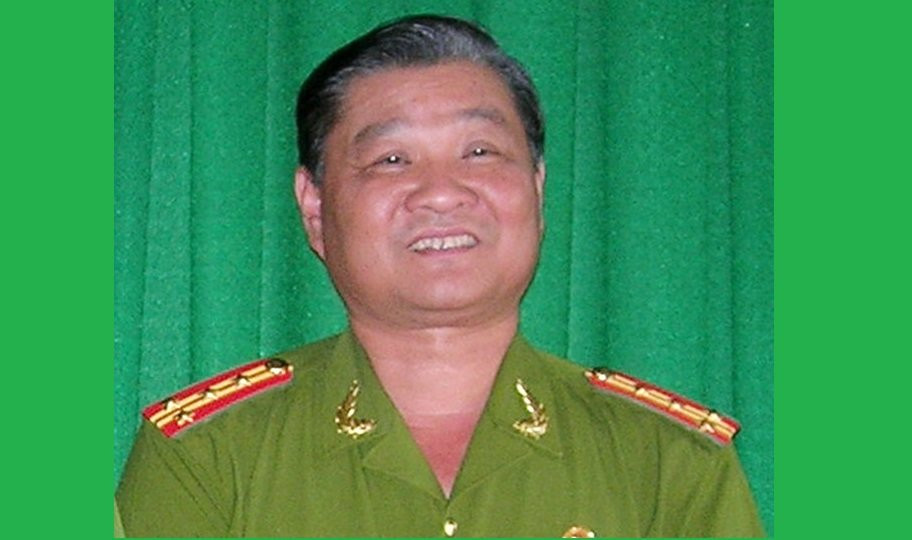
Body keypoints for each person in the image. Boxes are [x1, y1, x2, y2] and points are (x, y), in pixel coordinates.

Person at [116, 14, 764, 537]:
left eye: (480, 151)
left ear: (537, 190)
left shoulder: (670, 463)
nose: (442, 192)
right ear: (314, 209)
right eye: (391, 159)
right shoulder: (208, 458)